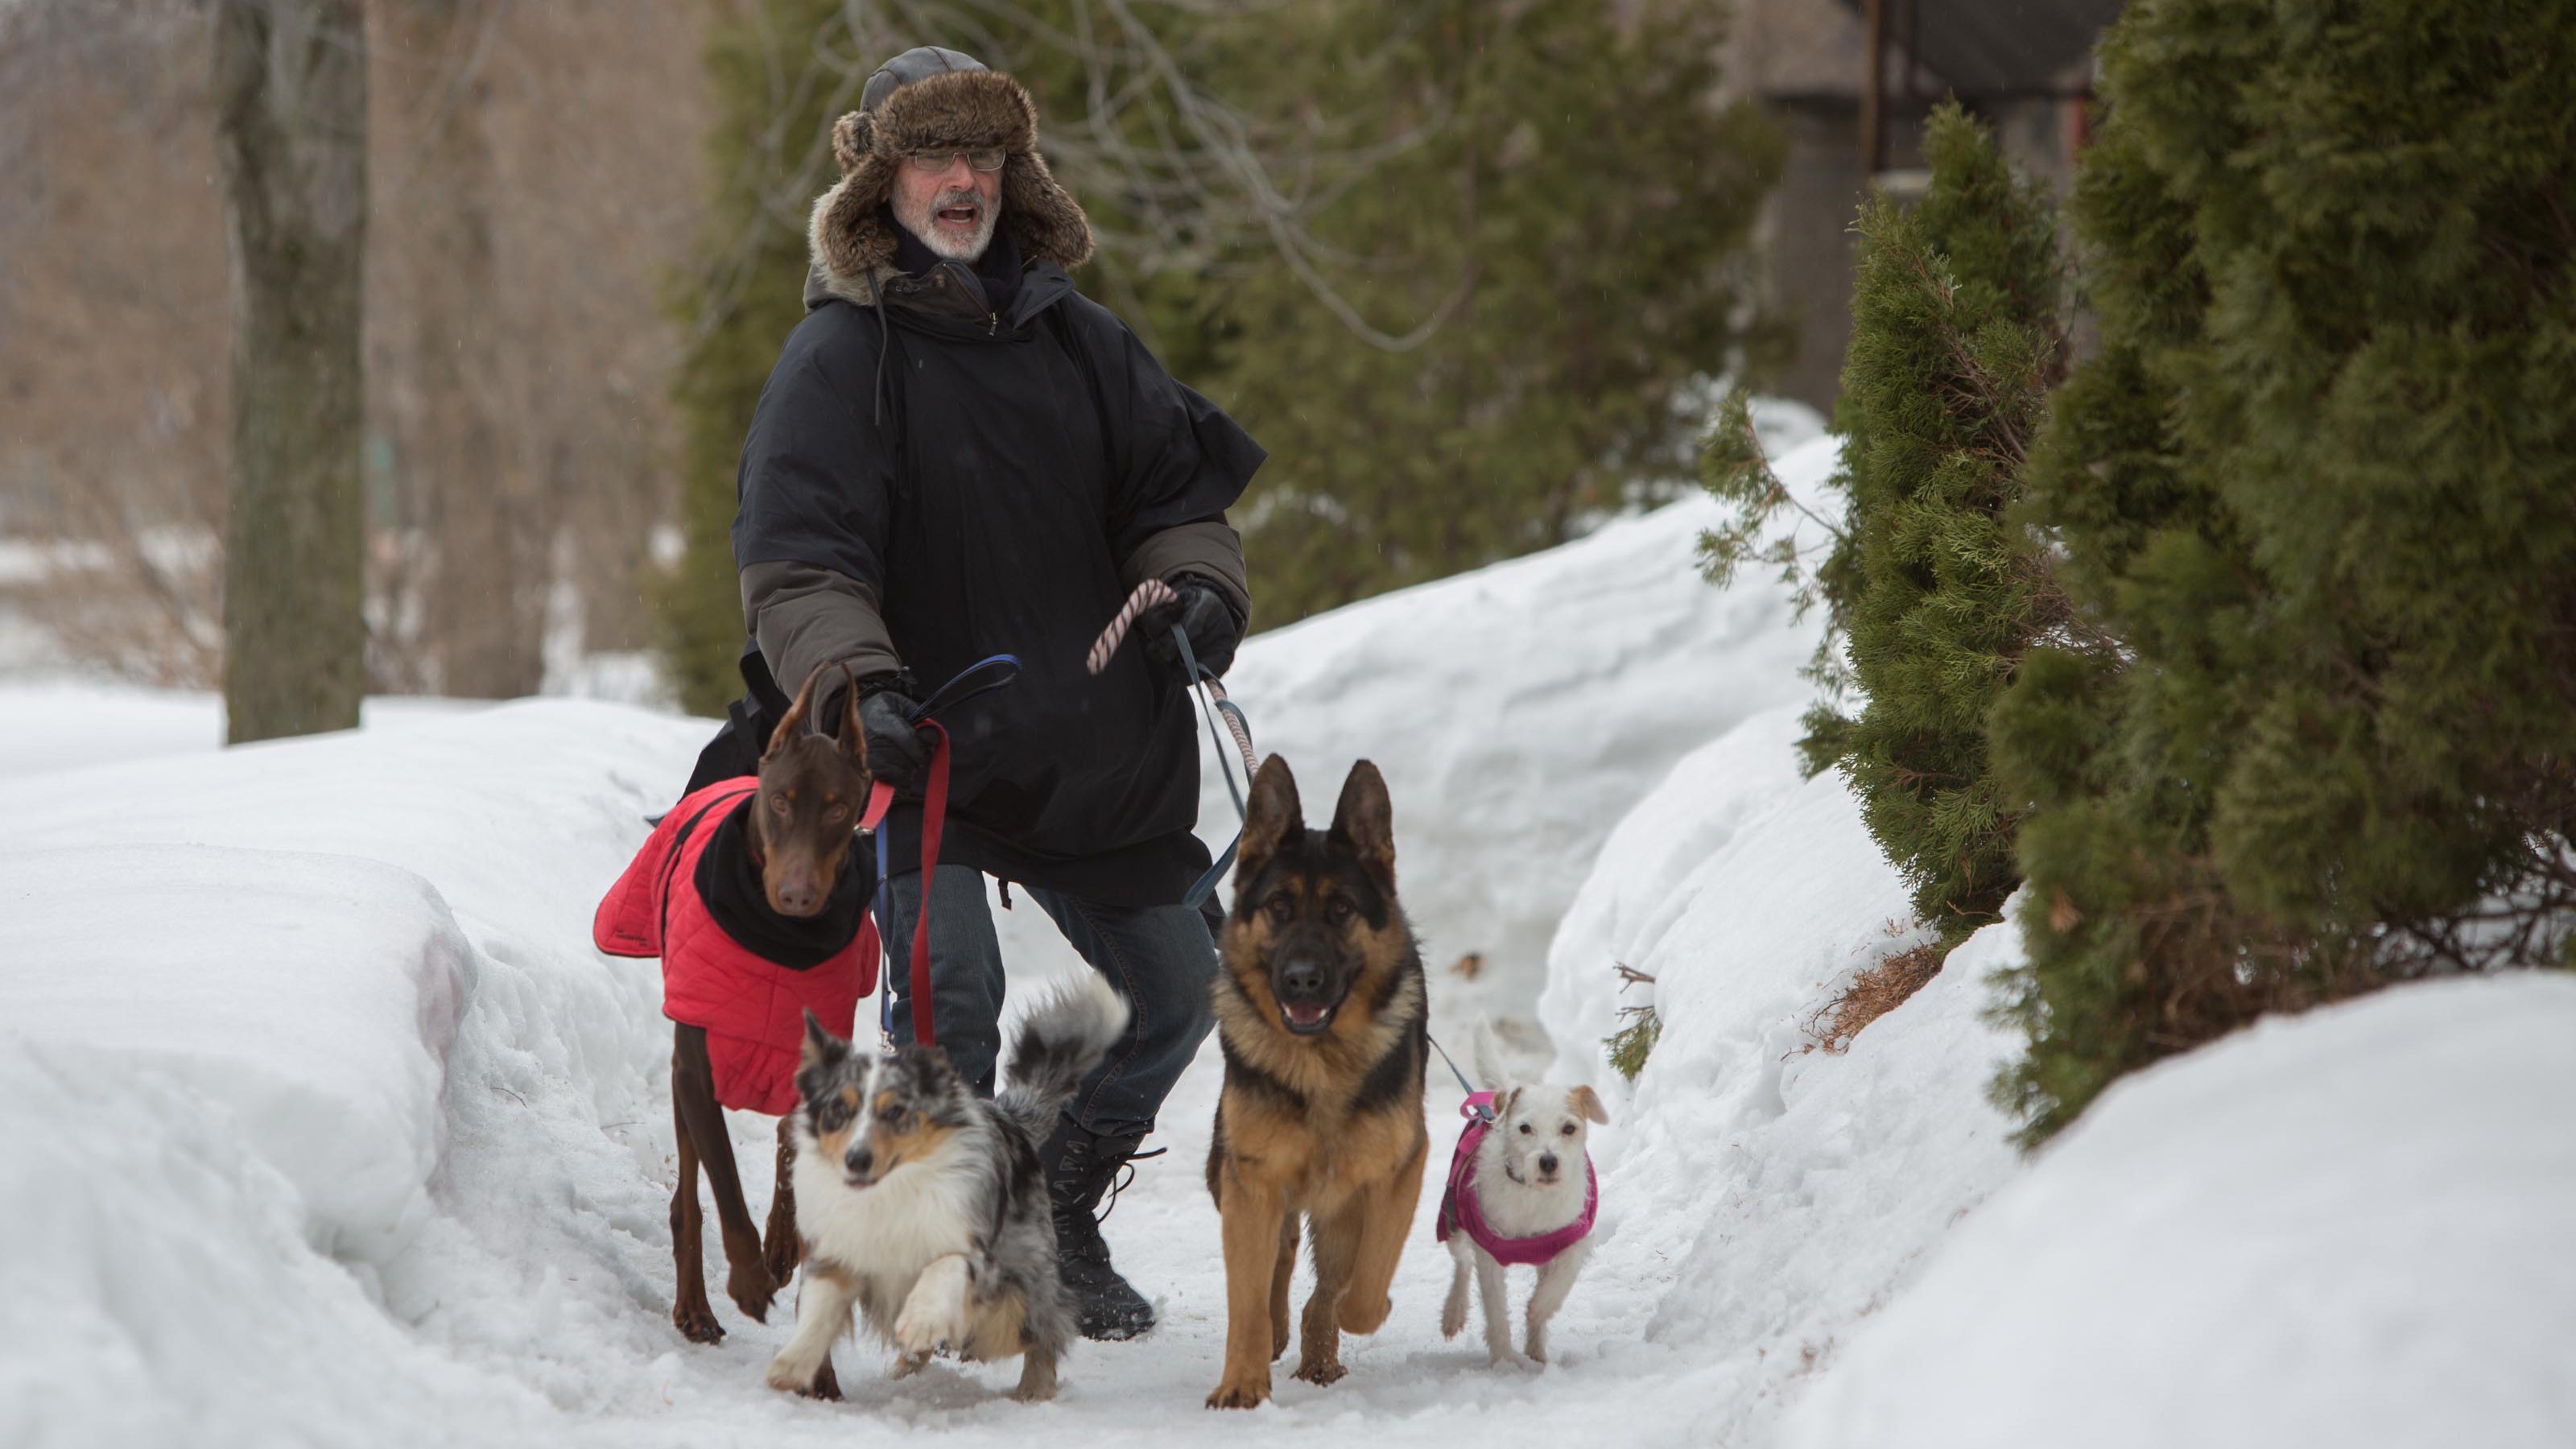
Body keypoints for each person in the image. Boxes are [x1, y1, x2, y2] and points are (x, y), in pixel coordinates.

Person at [687, 45, 1262, 1341]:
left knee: (1178, 996)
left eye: (985, 157)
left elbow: (1179, 499)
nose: (963, 182)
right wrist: (860, 690)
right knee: (951, 1002)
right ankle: (943, 1261)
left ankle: (1048, 1200)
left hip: (1093, 749)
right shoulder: (839, 361)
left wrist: (1201, 591)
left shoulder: (1086, 342)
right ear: (881, 183)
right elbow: (798, 563)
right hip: (919, 749)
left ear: (1017, 174)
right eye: (935, 159)